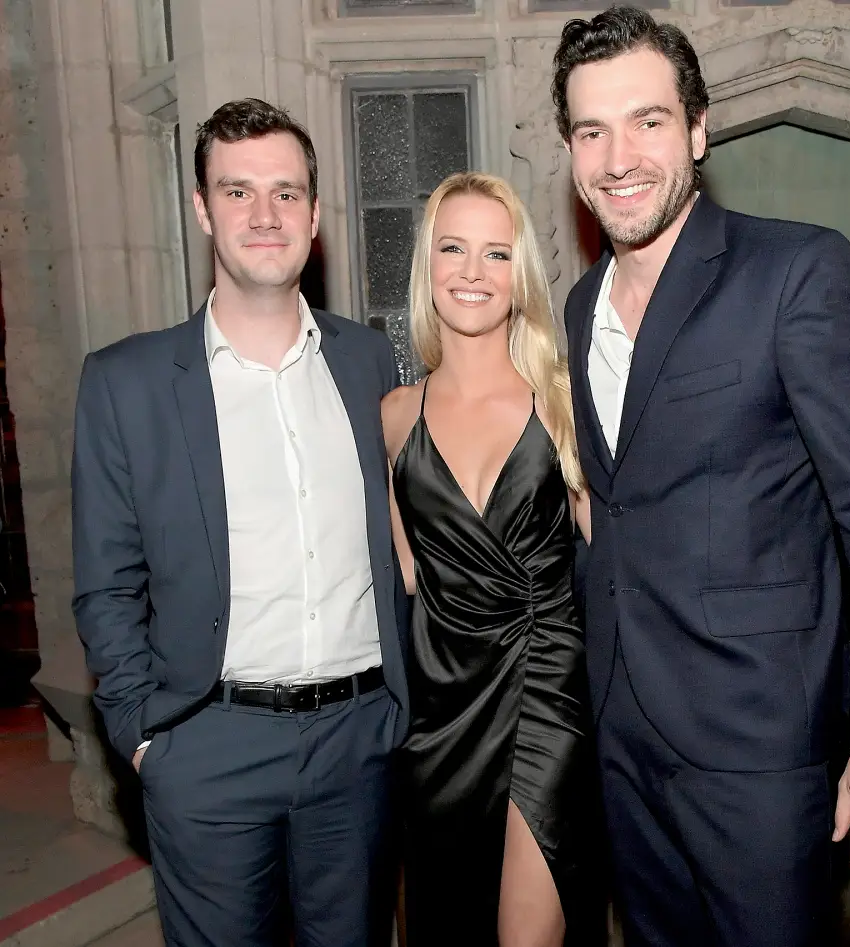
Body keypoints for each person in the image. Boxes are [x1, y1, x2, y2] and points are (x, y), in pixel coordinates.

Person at [551, 8, 850, 947]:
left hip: (759, 746)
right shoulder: (579, 304)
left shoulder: (797, 272)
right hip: (623, 736)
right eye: (591, 131)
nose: (618, 158)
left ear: (697, 129)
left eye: (647, 121)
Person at [71, 97, 409, 947]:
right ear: (202, 208)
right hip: (205, 745)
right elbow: (106, 585)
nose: (265, 215)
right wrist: (144, 736)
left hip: (359, 743)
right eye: (238, 191)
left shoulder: (367, 362)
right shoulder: (126, 382)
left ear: (315, 215)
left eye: (286, 193)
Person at [381, 171, 603, 947]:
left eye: (496, 253)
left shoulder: (563, 402)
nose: (472, 271)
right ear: (428, 266)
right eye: (453, 248)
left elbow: (622, 565)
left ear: (520, 275)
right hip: (440, 711)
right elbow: (407, 576)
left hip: (547, 689)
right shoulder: (395, 417)